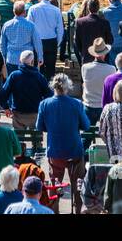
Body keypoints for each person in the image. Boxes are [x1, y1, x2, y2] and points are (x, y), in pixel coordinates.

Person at [36, 74, 89, 212]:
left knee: (55, 184)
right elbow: (86, 125)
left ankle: (54, 211)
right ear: (68, 87)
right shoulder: (77, 104)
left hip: (55, 150)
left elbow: (39, 127)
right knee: (78, 185)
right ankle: (78, 210)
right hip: (74, 150)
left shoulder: (44, 104)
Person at [0, 49, 49, 130]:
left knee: (18, 138)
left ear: (20, 61)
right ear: (32, 62)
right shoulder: (39, 76)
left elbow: (4, 93)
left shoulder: (14, 76)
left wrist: (6, 107)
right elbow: (48, 94)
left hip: (18, 113)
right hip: (35, 113)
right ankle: (36, 142)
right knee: (36, 136)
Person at [0, 2, 42, 74]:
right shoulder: (31, 25)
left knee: (13, 83)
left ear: (13, 11)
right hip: (27, 60)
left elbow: (2, 44)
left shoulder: (6, 25)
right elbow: (37, 43)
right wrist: (40, 57)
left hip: (11, 60)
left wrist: (4, 57)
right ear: (24, 12)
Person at [81, 39, 116, 124]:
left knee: (87, 135)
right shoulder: (111, 69)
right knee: (108, 135)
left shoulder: (85, 67)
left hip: (88, 105)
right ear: (105, 53)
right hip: (105, 107)